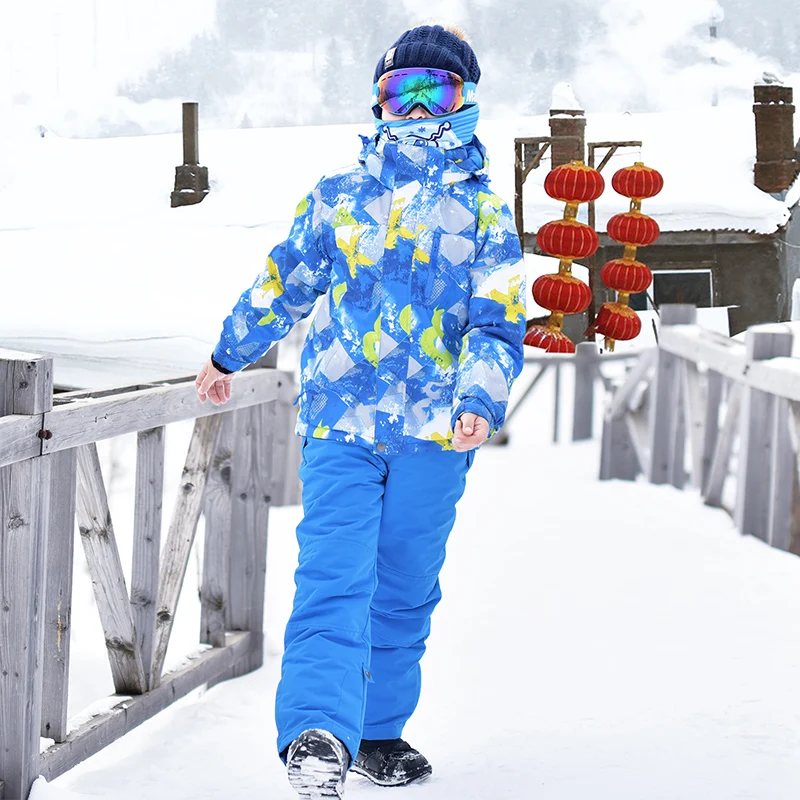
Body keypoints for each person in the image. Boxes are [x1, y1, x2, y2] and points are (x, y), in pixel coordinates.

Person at [195, 23, 525, 800]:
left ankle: (377, 733)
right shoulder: (339, 198)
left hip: (437, 434)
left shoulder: (482, 212)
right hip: (341, 424)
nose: (414, 109)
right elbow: (286, 283)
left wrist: (478, 397)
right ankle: (317, 734)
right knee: (333, 578)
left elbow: (498, 319)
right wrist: (228, 354)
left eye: (432, 92)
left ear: (465, 101)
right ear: (377, 105)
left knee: (405, 585)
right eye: (396, 93)